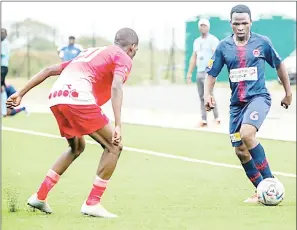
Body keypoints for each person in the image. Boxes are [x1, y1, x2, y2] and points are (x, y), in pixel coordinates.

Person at [6, 28, 139, 217]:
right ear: (132, 48)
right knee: (114, 146)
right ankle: (93, 203)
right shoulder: (123, 56)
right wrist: (118, 124)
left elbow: (49, 70)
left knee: (77, 146)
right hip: (77, 98)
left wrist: (20, 93)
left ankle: (40, 196)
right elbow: (116, 86)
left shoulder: (89, 53)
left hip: (56, 98)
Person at [204, 4, 292, 203]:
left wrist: (288, 92)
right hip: (237, 105)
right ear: (231, 24)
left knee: (247, 134)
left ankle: (270, 182)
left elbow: (279, 65)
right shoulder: (223, 47)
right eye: (236, 24)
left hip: (258, 98)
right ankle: (261, 192)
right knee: (241, 151)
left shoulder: (263, 43)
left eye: (244, 23)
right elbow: (211, 74)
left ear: (251, 22)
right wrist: (207, 95)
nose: (241, 27)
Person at [187, 18, 220, 127]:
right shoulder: (197, 41)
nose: (203, 27)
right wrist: (189, 73)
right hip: (199, 71)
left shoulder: (213, 40)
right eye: (201, 26)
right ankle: (204, 119)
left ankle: (217, 117)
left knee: (210, 94)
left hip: (208, 72)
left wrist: (214, 70)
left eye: (204, 25)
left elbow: (216, 56)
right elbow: (194, 57)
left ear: (208, 27)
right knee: (201, 96)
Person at [1, 28, 10, 117]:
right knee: (2, 88)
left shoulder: (4, 43)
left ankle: (3, 111)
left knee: (2, 88)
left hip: (2, 67)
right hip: (4, 67)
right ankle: (3, 111)